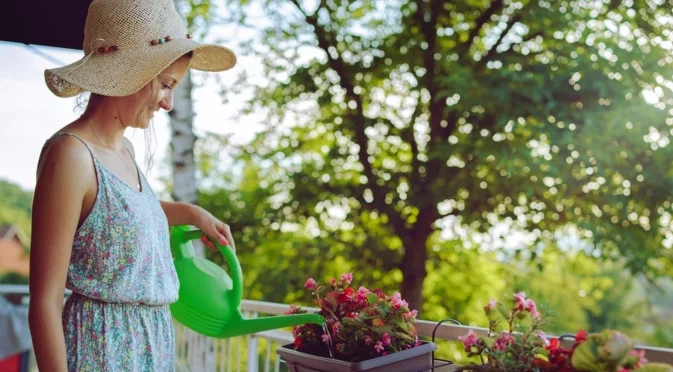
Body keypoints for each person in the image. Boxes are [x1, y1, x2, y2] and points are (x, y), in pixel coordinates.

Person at [28, 0, 238, 370]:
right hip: (103, 351)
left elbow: (114, 214)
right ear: (132, 73)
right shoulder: (71, 156)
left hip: (152, 347)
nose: (169, 103)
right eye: (166, 85)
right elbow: (44, 300)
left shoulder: (123, 149)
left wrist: (190, 213)